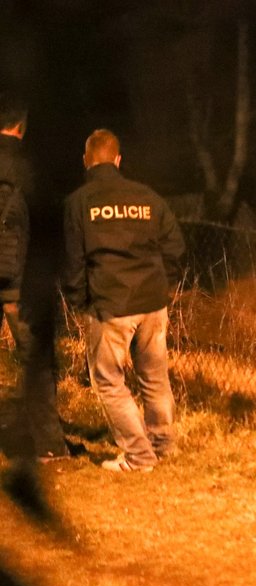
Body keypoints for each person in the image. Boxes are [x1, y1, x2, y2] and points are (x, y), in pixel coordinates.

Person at [63, 129, 185, 472]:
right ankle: (162, 445)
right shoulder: (148, 197)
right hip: (152, 301)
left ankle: (138, 456)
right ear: (118, 160)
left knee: (107, 380)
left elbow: (74, 262)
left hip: (111, 304)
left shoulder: (78, 203)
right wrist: (163, 285)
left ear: (86, 161)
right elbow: (175, 247)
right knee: (155, 377)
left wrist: (80, 300)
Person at [0, 93, 68, 464]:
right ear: (21, 127)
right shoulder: (30, 167)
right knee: (36, 362)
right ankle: (49, 445)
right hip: (18, 281)